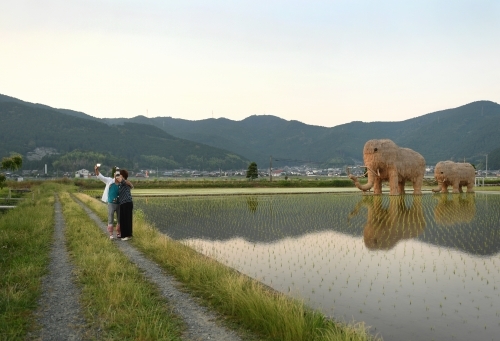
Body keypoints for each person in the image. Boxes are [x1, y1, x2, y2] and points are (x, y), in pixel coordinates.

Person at [94, 165, 133, 239]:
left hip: (120, 203)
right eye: (115, 174)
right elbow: (100, 176)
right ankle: (111, 234)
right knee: (110, 217)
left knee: (119, 219)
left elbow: (130, 185)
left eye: (118, 174)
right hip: (111, 203)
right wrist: (96, 170)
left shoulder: (122, 183)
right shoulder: (109, 181)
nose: (116, 175)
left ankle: (119, 232)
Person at [116, 169, 134, 240]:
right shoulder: (124, 183)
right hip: (124, 203)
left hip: (126, 203)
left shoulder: (124, 182)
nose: (118, 175)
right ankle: (125, 235)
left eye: (120, 174)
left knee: (126, 220)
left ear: (122, 176)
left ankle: (127, 235)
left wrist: (116, 173)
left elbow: (118, 178)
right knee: (124, 219)